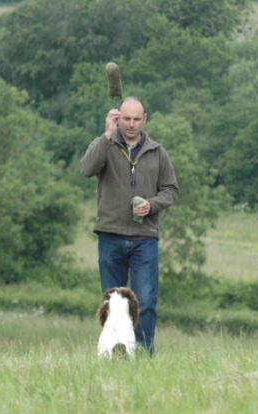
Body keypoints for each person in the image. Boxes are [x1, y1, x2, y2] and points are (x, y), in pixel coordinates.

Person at [80, 97, 179, 354]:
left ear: (145, 119)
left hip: (145, 237)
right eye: (126, 119)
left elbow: (171, 190)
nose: (131, 124)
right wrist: (106, 134)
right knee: (113, 303)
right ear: (118, 118)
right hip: (110, 235)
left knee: (146, 302)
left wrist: (153, 205)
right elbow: (87, 169)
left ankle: (144, 354)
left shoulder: (158, 152)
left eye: (137, 119)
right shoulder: (105, 145)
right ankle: (112, 353)